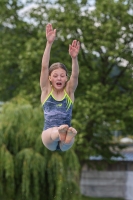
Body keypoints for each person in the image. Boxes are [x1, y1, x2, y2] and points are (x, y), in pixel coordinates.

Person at [40, 23, 80, 151]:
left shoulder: (69, 91)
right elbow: (44, 67)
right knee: (53, 133)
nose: (59, 78)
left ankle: (66, 135)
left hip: (65, 133)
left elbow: (75, 75)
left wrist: (74, 58)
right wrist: (49, 43)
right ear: (49, 78)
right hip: (49, 135)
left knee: (67, 143)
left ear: (66, 78)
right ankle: (61, 133)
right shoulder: (46, 90)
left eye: (62, 76)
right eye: (55, 76)